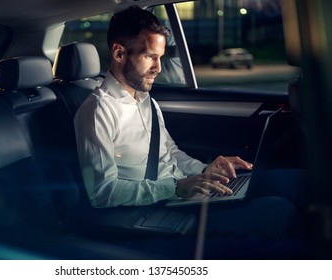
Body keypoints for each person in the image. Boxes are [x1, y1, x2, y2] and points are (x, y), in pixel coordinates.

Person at [73, 6, 308, 259]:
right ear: (119, 53)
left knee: (296, 182)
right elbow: (102, 193)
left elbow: (171, 153)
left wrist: (204, 170)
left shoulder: (145, 100)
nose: (159, 68)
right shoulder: (98, 110)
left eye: (161, 57)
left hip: (181, 197)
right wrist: (175, 188)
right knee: (280, 213)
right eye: (150, 56)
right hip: (154, 213)